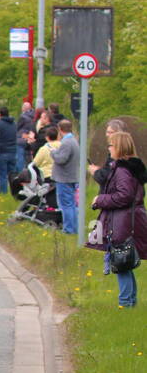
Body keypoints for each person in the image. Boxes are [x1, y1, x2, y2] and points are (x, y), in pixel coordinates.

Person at [86, 131, 147, 307]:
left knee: (122, 262)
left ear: (119, 147)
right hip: (128, 219)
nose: (109, 148)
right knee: (125, 261)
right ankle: (130, 303)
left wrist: (100, 199)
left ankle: (126, 303)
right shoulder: (131, 168)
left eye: (111, 145)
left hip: (123, 221)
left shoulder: (122, 170)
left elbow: (125, 196)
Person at [51, 119, 80, 235]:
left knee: (66, 205)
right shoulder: (73, 140)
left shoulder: (67, 142)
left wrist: (53, 153)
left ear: (60, 130)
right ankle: (73, 228)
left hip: (65, 178)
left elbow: (61, 159)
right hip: (71, 176)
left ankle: (68, 229)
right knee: (71, 204)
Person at [0, 105, 18, 191]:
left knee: (2, 175)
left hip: (2, 152)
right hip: (13, 151)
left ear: (0, 114)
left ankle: (3, 192)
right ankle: (15, 192)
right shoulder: (14, 124)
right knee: (13, 175)